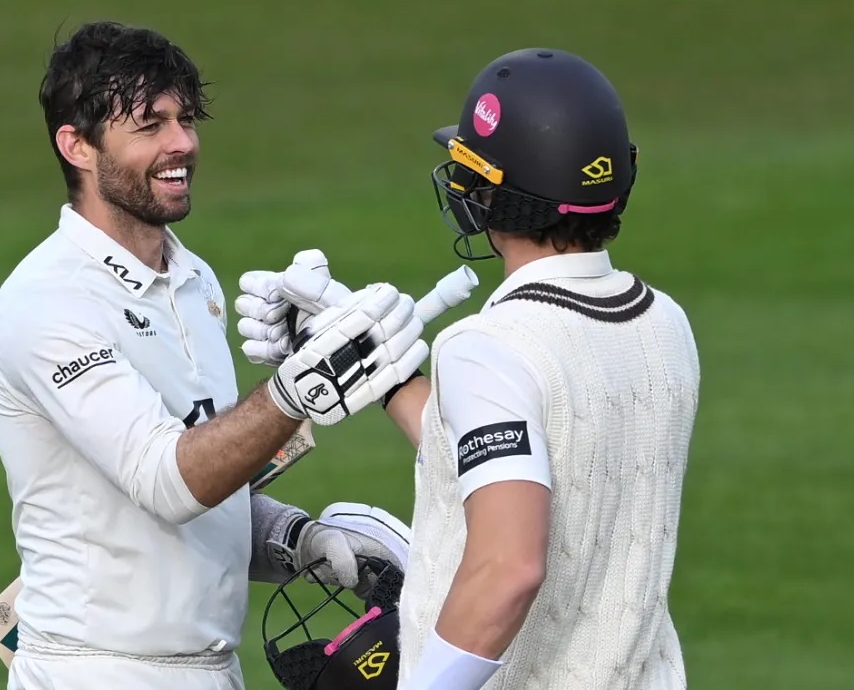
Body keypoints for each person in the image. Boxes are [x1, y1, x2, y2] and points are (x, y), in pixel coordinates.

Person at [0, 21, 427, 690]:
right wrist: (294, 392)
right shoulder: (48, 304)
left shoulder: (196, 284)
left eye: (186, 119)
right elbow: (167, 479)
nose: (182, 142)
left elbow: (210, 477)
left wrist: (296, 540)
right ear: (75, 145)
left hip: (210, 669)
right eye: (150, 124)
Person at [236, 48, 701, 689]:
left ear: (486, 195)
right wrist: (384, 368)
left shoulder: (489, 345)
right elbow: (534, 441)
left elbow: (509, 566)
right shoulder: (663, 324)